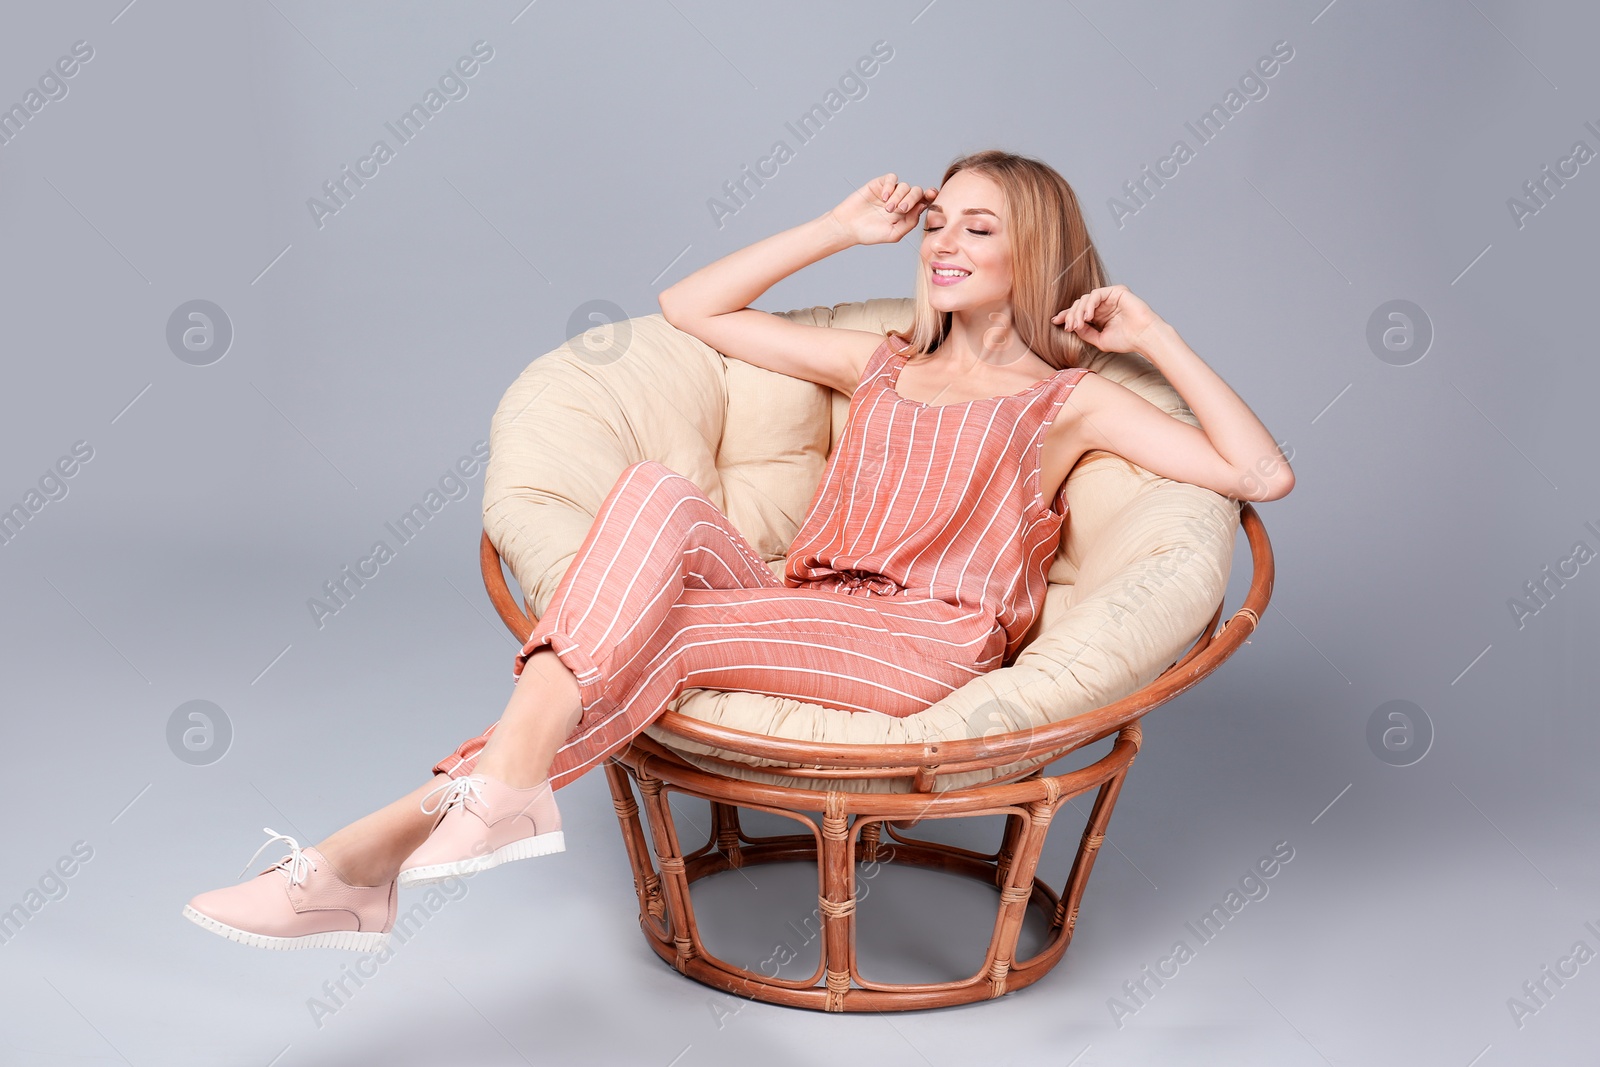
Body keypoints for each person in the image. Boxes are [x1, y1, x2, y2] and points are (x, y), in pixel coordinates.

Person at [182, 149, 1294, 950]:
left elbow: (1258, 474)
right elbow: (688, 307)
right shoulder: (882, 362)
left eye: (979, 226)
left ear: (1036, 248)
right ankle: (455, 818)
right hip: (800, 600)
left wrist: (1154, 336)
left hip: (919, 642)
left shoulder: (1070, 401)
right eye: (936, 223)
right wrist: (836, 227)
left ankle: (367, 855)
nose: (944, 242)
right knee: (654, 488)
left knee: (653, 638)